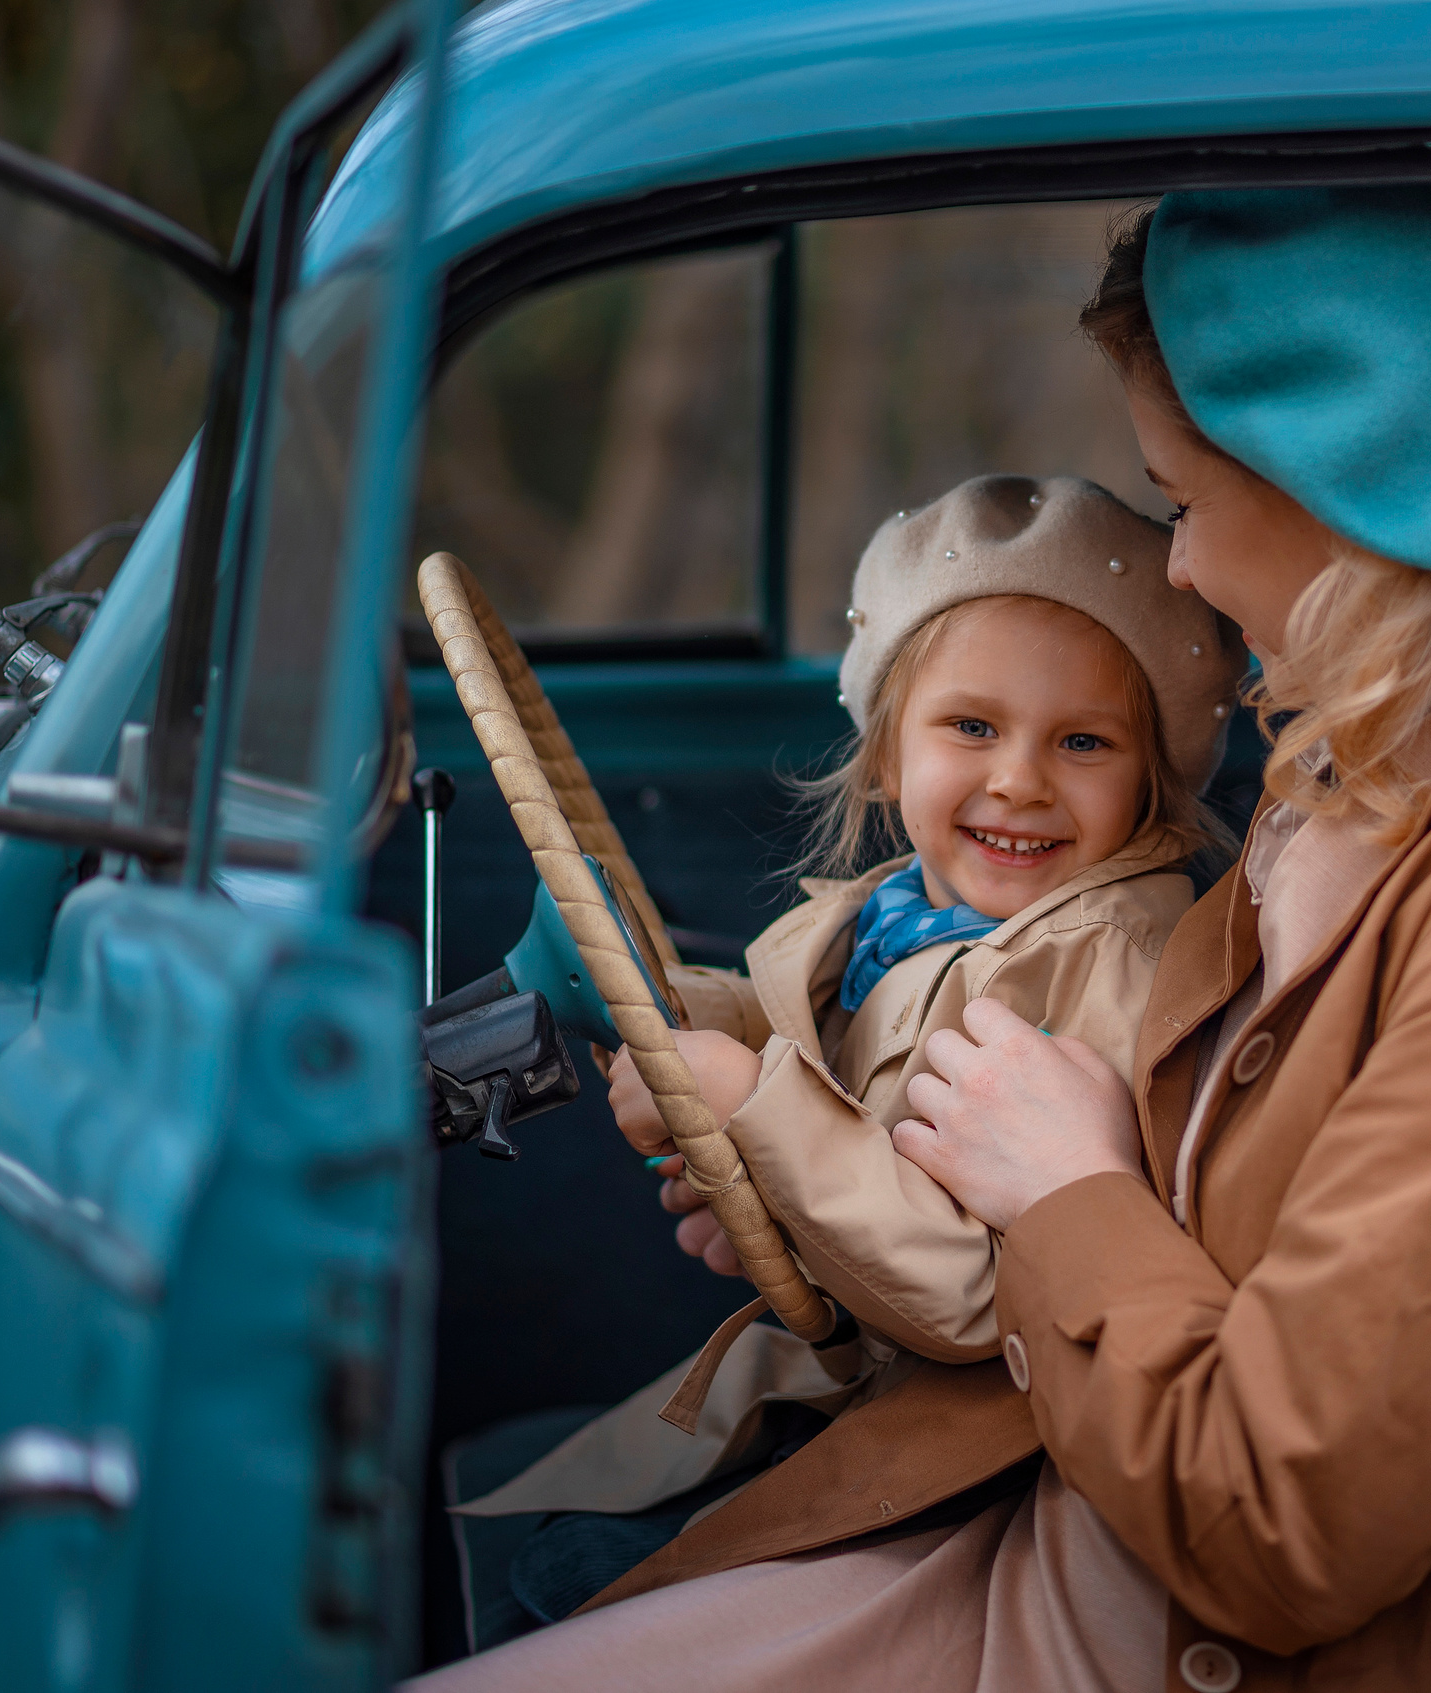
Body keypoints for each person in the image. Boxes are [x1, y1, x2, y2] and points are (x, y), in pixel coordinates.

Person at [412, 181, 1431, 1693]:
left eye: (1188, 500)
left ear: (1358, 498)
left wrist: (1067, 1184)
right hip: (1052, 1484)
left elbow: (1281, 1521)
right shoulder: (1353, 779)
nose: (1189, 570)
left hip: (1218, 1620)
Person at [448, 472, 1245, 1625]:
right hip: (861, 1379)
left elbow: (982, 1290)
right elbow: (813, 1040)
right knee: (559, 1554)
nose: (1018, 777)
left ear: (1150, 782)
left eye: (1081, 740)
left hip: (981, 1446)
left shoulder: (1103, 958)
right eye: (971, 725)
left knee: (566, 1587)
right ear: (885, 752)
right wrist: (695, 1029)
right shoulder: (903, 909)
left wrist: (753, 1105)